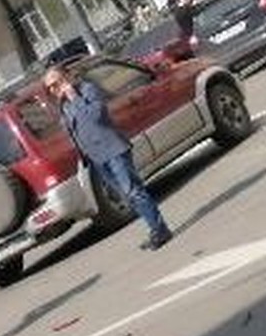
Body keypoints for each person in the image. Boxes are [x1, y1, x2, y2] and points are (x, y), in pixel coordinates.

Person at [43, 64, 173, 251]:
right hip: (97, 158)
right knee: (127, 197)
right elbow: (74, 132)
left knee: (133, 191)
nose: (55, 89)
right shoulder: (63, 105)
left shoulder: (87, 90)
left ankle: (159, 230)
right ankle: (156, 228)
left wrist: (74, 97)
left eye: (57, 83)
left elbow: (96, 116)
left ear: (68, 77)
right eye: (51, 88)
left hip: (113, 150)